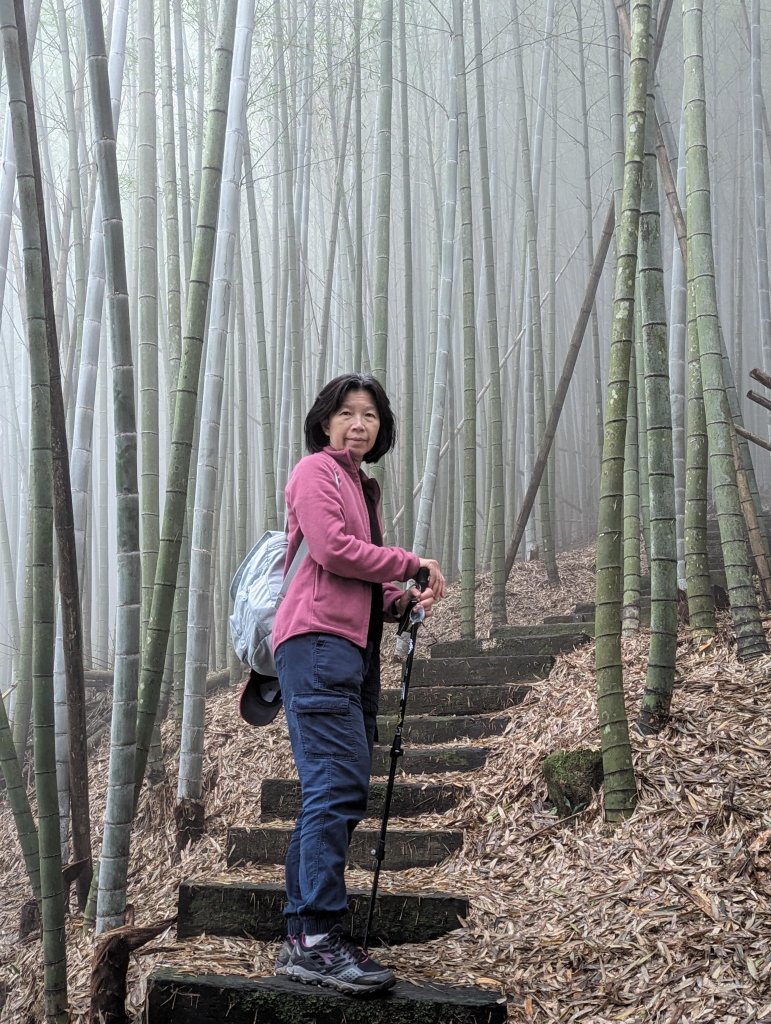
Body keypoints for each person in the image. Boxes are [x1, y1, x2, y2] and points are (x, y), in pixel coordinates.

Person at [271, 372, 445, 996]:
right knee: (336, 786)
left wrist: (398, 600)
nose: (358, 424)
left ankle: (304, 935)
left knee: (333, 787)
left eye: (369, 415)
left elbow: (355, 577)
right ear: (325, 421)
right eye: (347, 412)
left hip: (347, 649)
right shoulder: (316, 471)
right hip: (317, 644)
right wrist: (410, 561)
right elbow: (332, 548)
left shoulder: (361, 485)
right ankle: (318, 936)